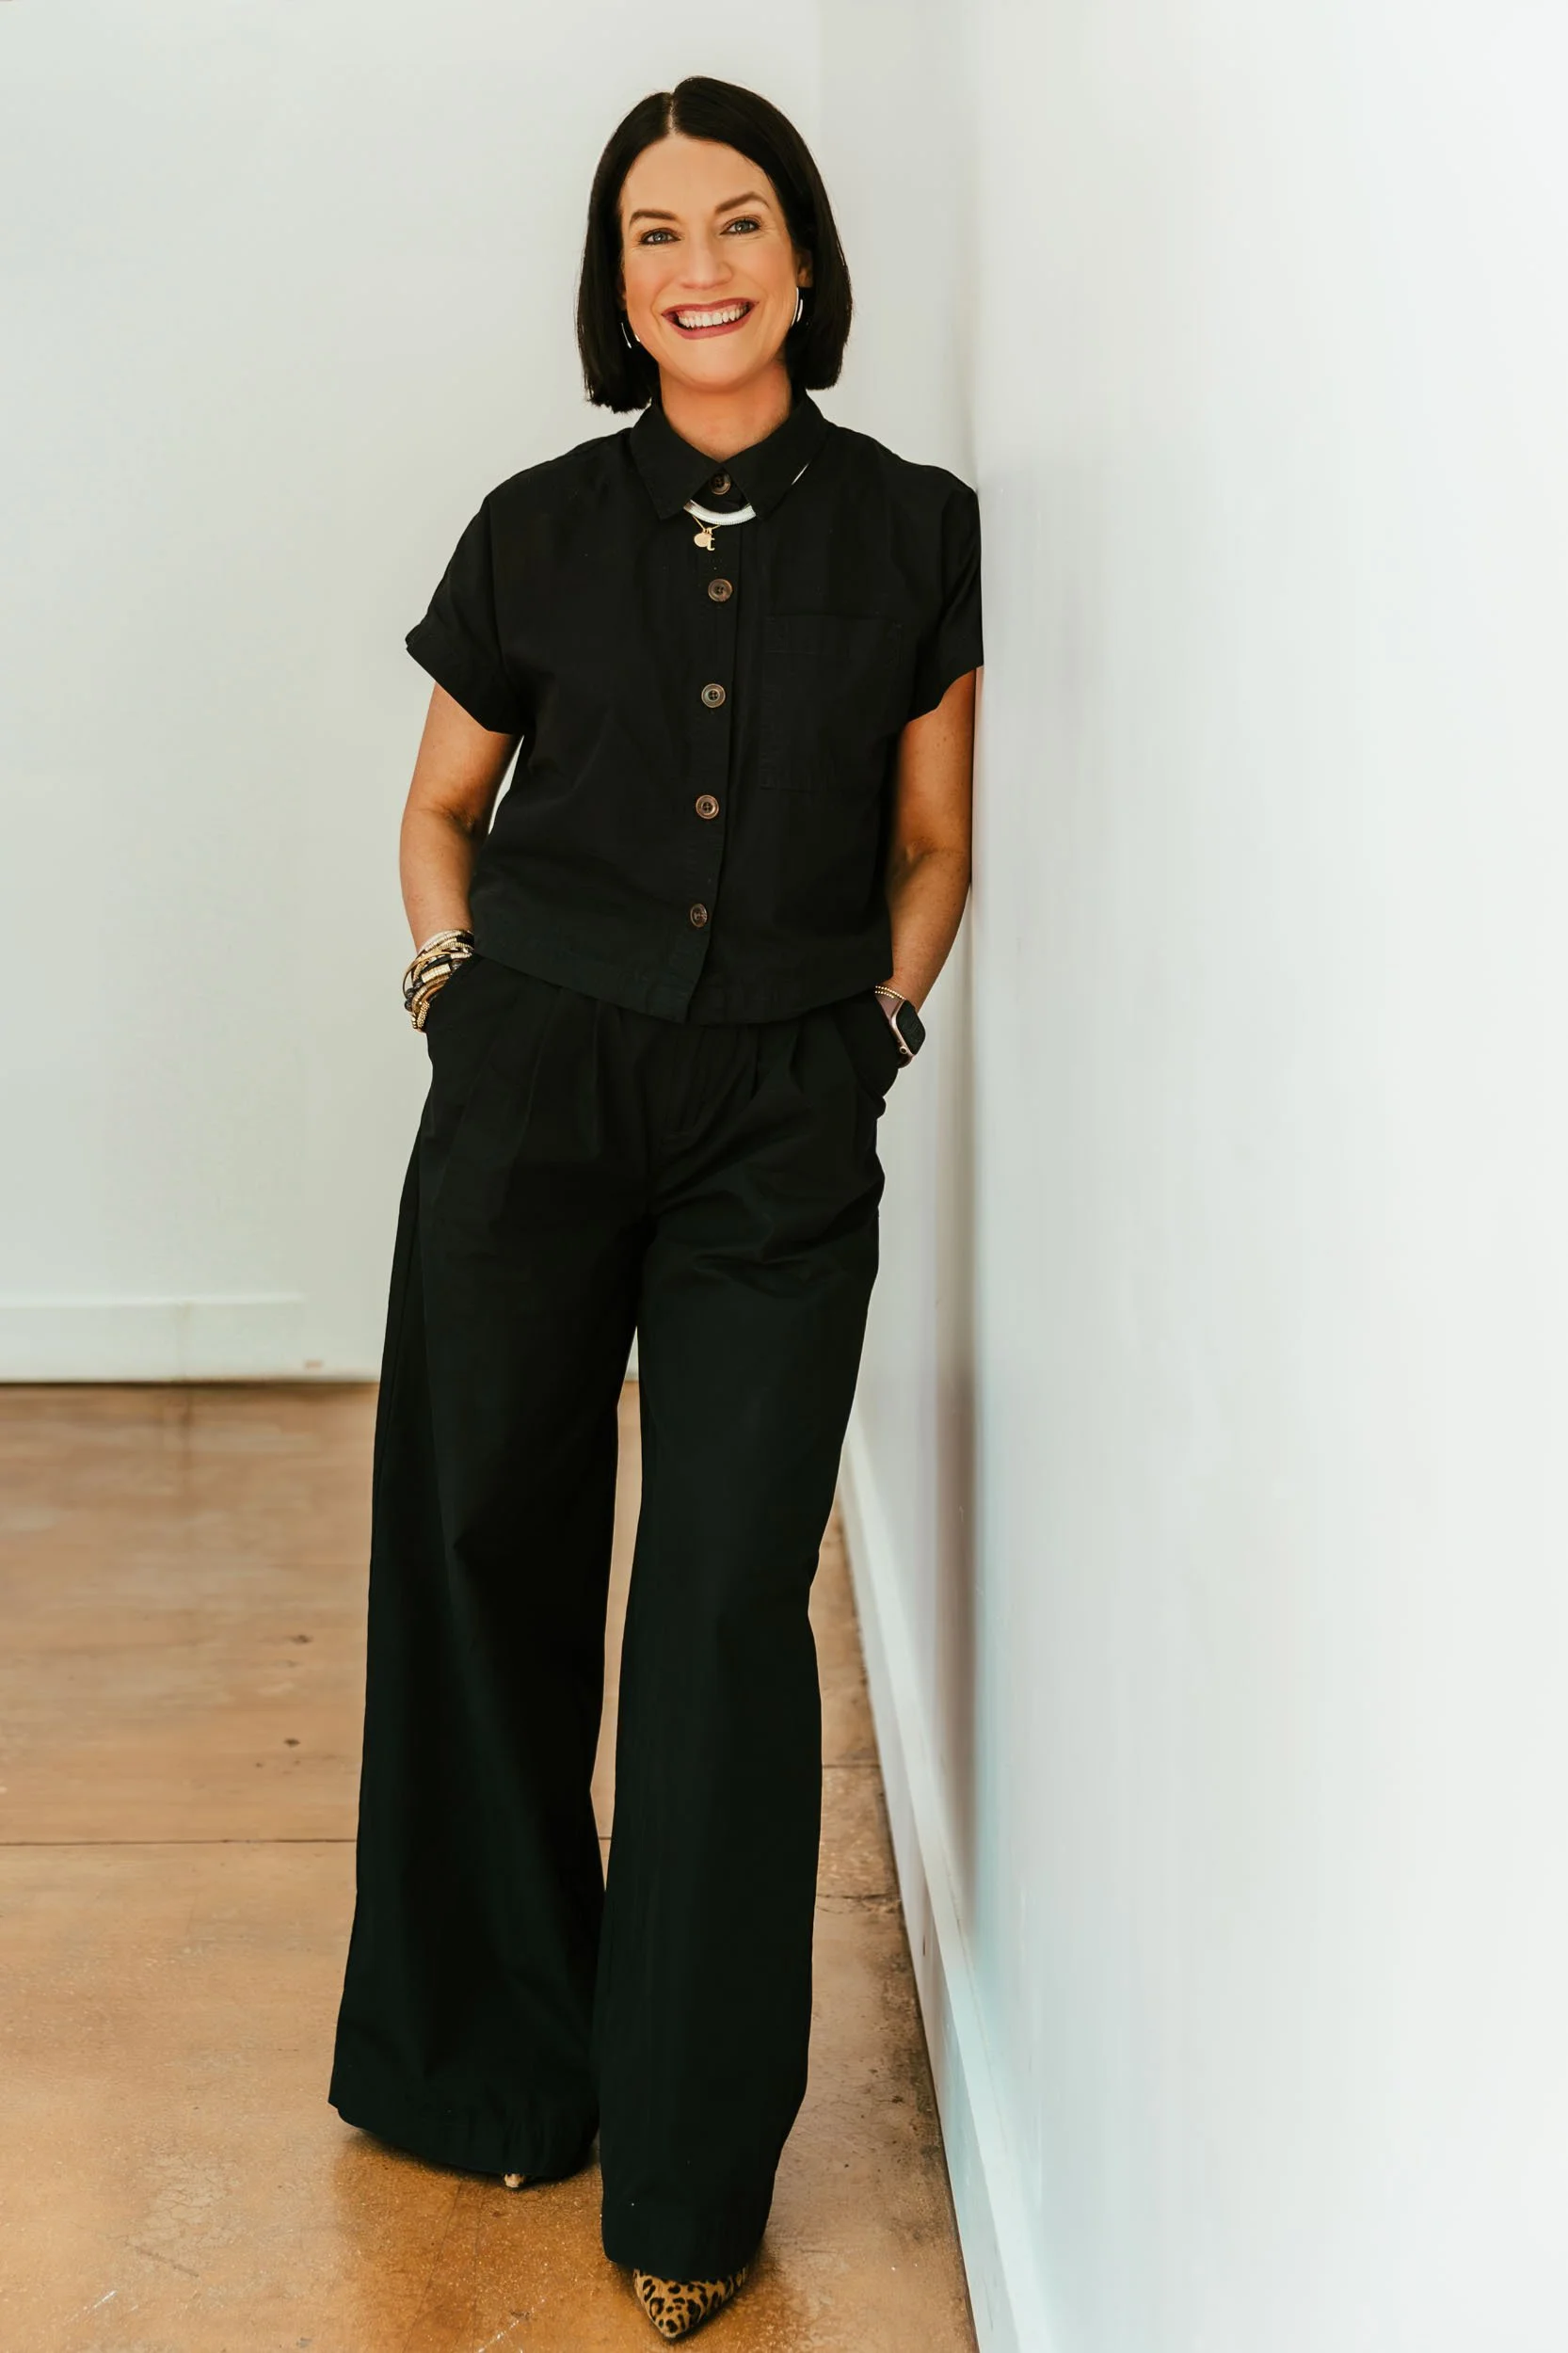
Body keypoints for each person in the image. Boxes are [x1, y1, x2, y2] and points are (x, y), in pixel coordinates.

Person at [328, 73, 981, 2342]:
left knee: (712, 1608)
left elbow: (929, 842)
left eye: (732, 222)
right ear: (615, 288)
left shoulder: (916, 529)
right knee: (481, 1543)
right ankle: (484, 2061)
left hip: (779, 1117)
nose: (693, 267)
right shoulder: (531, 522)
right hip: (530, 1082)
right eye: (646, 237)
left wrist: (870, 1035)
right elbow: (439, 803)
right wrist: (456, 992)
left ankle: (688, 2170)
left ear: (803, 255)